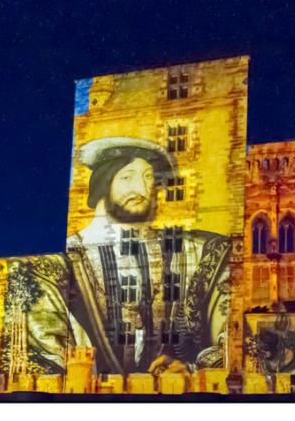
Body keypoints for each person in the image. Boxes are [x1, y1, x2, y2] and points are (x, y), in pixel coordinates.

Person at [25, 137, 232, 375]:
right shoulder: (58, 264)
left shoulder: (197, 251)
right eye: (127, 177)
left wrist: (192, 370)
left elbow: (229, 341)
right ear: (104, 183)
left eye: (148, 178)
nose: (142, 190)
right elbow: (46, 354)